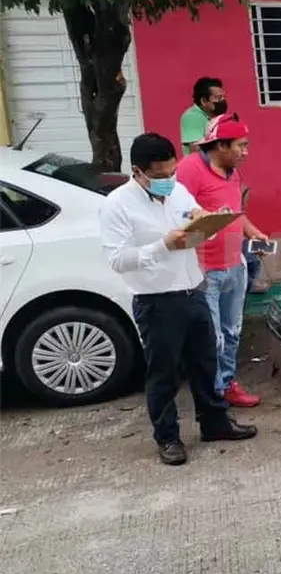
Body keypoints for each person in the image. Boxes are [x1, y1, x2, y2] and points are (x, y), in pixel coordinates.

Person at [99, 133, 257, 465]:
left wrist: (209, 222)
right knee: (164, 373)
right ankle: (168, 437)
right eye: (159, 176)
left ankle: (214, 424)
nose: (168, 180)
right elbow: (117, 260)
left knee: (204, 363)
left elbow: (194, 220)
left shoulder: (177, 190)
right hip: (156, 300)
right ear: (138, 172)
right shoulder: (117, 204)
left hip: (193, 288)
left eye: (171, 172)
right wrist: (162, 246)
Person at [176, 113, 268, 408]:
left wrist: (255, 234)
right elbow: (175, 214)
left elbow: (236, 213)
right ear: (220, 145)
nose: (246, 152)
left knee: (232, 332)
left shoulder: (232, 171)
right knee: (211, 338)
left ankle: (227, 384)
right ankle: (210, 396)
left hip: (234, 265)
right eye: (241, 145)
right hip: (204, 271)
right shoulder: (188, 170)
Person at [180, 77, 227, 156]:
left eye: (223, 97)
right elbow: (196, 151)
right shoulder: (192, 117)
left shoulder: (214, 117)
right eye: (218, 98)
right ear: (204, 101)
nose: (222, 100)